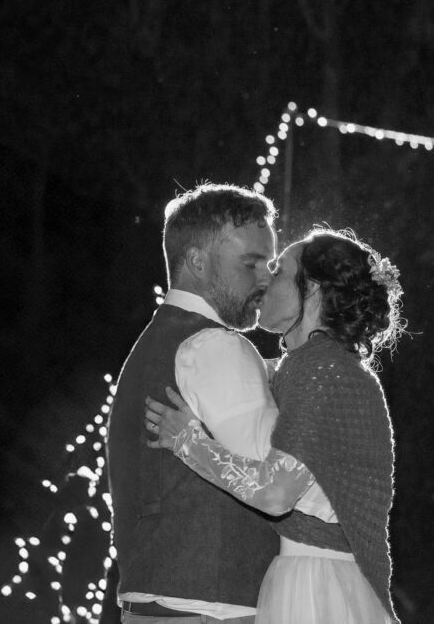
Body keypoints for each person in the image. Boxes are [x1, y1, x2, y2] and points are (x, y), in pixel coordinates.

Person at [146, 228, 405, 624]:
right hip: (327, 581)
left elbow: (275, 494)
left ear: (312, 289)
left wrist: (187, 441)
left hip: (314, 588)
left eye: (280, 270)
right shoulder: (328, 367)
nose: (266, 278)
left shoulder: (321, 370)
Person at [106, 184, 281, 623]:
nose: (265, 279)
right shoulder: (217, 346)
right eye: (250, 263)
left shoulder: (149, 347)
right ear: (197, 262)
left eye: (270, 263)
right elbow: (276, 482)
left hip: (148, 606)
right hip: (215, 607)